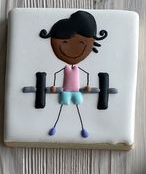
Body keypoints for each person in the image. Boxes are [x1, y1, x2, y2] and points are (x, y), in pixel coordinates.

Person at [39, 10, 108, 139]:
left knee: (77, 105)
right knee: (61, 106)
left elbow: (86, 74)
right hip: (65, 92)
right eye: (64, 42)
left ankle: (82, 127)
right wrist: (54, 85)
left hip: (76, 92)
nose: (68, 48)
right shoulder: (65, 68)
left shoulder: (76, 69)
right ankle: (56, 125)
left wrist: (87, 85)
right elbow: (56, 74)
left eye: (82, 43)